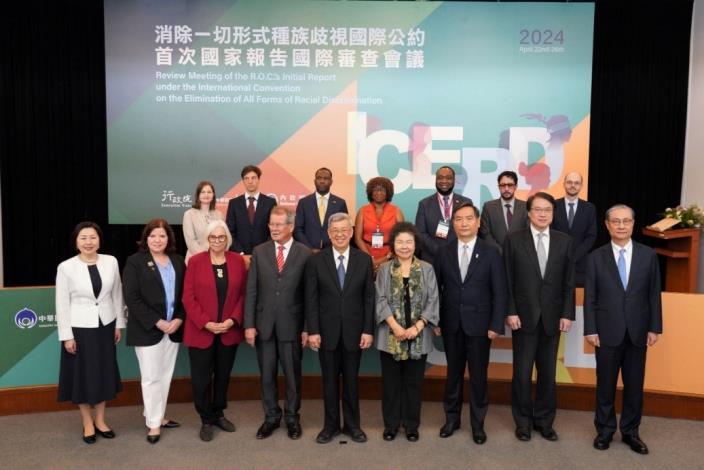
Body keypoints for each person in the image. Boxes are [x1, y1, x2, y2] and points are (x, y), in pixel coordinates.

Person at [584, 204, 662, 454]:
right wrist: (590, 329)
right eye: (615, 221)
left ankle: (631, 432)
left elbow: (653, 296)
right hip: (606, 332)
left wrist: (654, 327)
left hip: (638, 332)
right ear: (607, 225)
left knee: (634, 386)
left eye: (625, 221)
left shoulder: (648, 255)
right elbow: (590, 298)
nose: (620, 225)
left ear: (633, 224)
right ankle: (604, 431)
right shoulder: (596, 257)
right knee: (604, 385)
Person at [503, 192, 575, 442]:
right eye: (538, 209)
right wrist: (510, 310)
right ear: (529, 213)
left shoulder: (564, 241)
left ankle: (544, 421)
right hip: (522, 317)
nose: (543, 214)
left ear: (553, 214)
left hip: (553, 318)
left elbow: (569, 281)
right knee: (522, 373)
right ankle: (522, 422)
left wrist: (567, 313)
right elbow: (507, 280)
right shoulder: (513, 240)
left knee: (547, 374)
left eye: (548, 210)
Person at [433, 203, 507, 445]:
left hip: (480, 326)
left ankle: (478, 424)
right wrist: (436, 319)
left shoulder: (491, 251)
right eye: (458, 219)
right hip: (451, 324)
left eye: (468, 219)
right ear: (452, 223)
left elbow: (500, 291)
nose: (463, 223)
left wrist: (496, 324)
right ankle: (451, 420)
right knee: (452, 375)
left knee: (478, 377)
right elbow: (437, 289)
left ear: (477, 222)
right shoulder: (443, 251)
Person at [305, 212, 375, 444]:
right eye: (335, 231)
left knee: (352, 383)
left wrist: (368, 330)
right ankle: (331, 426)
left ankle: (353, 426)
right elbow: (311, 299)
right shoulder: (316, 260)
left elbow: (369, 299)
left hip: (356, 333)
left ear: (351, 232)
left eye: (344, 230)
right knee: (329, 383)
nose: (340, 235)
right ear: (328, 233)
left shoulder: (364, 260)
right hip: (326, 334)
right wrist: (313, 331)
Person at [244, 207, 311, 440]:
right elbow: (251, 291)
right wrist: (249, 325)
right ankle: (271, 417)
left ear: (291, 227)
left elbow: (309, 295)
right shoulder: (259, 251)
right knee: (267, 375)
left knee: (293, 376)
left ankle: (292, 417)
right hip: (264, 325)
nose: (273, 228)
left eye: (279, 224)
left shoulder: (305, 253)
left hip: (292, 325)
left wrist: (306, 328)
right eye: (271, 224)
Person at [56, 221, 125, 444]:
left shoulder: (111, 261)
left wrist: (118, 324)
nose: (88, 242)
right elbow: (62, 304)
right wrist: (67, 335)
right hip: (79, 328)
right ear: (76, 241)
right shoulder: (66, 267)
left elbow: (117, 294)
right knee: (82, 376)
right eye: (83, 238)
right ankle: (87, 422)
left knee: (104, 374)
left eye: (93, 237)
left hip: (106, 325)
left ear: (99, 240)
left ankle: (101, 420)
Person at [182, 220, 246, 442]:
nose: (217, 241)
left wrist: (232, 320)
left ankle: (218, 413)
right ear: (207, 239)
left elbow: (243, 295)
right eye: (213, 237)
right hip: (202, 331)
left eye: (221, 237)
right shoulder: (196, 262)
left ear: (227, 238)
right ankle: (206, 419)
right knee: (201, 380)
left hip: (228, 331)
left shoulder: (238, 261)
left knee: (222, 377)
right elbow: (188, 298)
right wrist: (206, 323)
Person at [374, 222, 439, 442]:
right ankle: (391, 425)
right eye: (400, 242)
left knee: (413, 384)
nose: (404, 246)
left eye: (408, 242)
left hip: (418, 336)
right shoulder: (384, 269)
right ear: (393, 245)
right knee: (391, 385)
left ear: (415, 244)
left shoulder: (427, 269)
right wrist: (395, 326)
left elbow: (433, 300)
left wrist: (418, 327)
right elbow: (379, 299)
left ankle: (412, 425)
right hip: (390, 335)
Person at [123, 218, 185, 444]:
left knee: (165, 376)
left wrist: (179, 318)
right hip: (149, 328)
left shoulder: (178, 261)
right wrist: (158, 321)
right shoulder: (135, 262)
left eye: (162, 235)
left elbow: (185, 295)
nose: (158, 240)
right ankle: (153, 425)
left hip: (173, 328)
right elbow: (132, 297)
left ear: (169, 238)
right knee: (151, 378)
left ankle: (156, 415)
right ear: (146, 238)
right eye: (153, 236)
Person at [415, 166, 472, 264]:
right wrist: (440, 251)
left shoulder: (466, 202)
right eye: (440, 177)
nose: (444, 181)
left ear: (454, 180)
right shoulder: (424, 204)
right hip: (432, 260)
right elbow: (421, 233)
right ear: (436, 180)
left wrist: (456, 251)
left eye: (448, 178)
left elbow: (471, 230)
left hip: (459, 259)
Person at [551, 172, 597, 286]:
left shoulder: (589, 208)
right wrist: (562, 255)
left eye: (577, 183)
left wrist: (574, 256)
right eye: (569, 182)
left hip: (581, 264)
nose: (573, 185)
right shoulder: (553, 205)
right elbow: (550, 232)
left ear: (581, 186)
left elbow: (591, 236)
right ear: (564, 184)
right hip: (557, 262)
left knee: (578, 300)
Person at [354, 176, 404, 272]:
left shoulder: (396, 211)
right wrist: (370, 259)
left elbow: (402, 238)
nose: (379, 193)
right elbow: (357, 238)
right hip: (366, 255)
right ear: (370, 193)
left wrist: (387, 258)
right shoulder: (362, 211)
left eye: (382, 190)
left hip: (390, 256)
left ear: (388, 192)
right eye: (375, 190)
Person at [225, 165, 277, 257]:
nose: (250, 181)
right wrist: (240, 253)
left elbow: (274, 230)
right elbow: (229, 232)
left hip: (264, 255)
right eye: (246, 178)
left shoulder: (270, 203)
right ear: (243, 181)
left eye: (253, 178)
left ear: (258, 179)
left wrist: (262, 251)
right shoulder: (234, 203)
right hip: (239, 256)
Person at [294, 167, 348, 252]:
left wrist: (332, 248)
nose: (322, 181)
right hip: (307, 252)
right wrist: (309, 248)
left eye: (326, 178)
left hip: (332, 252)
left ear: (331, 182)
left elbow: (345, 229)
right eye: (319, 178)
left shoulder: (340, 203)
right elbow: (298, 229)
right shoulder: (304, 203)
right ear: (314, 181)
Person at [480, 170, 528, 252]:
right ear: (499, 187)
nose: (506, 189)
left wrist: (517, 251)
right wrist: (499, 250)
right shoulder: (488, 207)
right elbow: (485, 233)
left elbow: (528, 232)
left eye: (510, 185)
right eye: (503, 185)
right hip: (495, 255)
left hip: (519, 254)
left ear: (515, 187)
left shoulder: (525, 206)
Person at [183, 180, 224, 264]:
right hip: (196, 259)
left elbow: (223, 238)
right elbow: (191, 242)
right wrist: (206, 257)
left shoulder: (219, 214)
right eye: (203, 192)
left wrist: (216, 257)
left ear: (213, 194)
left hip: (217, 260)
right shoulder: (189, 214)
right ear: (198, 195)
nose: (206, 195)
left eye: (209, 192)